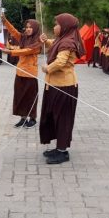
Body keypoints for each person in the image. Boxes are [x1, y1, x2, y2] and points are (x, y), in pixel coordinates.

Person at [39, 13, 85, 165]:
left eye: (56, 24)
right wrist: (46, 42)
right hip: (56, 85)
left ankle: (62, 152)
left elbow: (60, 62)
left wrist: (47, 68)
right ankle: (59, 147)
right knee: (54, 116)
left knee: (63, 119)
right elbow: (55, 44)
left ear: (64, 27)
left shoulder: (68, 42)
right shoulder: (63, 40)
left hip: (64, 87)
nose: (54, 27)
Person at [1, 16, 42, 129]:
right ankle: (23, 118)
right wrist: (5, 21)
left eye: (30, 27)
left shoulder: (38, 42)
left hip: (30, 74)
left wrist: (11, 51)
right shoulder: (23, 38)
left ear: (35, 29)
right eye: (27, 27)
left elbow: (27, 51)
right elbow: (13, 31)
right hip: (20, 72)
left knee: (30, 97)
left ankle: (33, 119)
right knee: (20, 96)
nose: (28, 29)